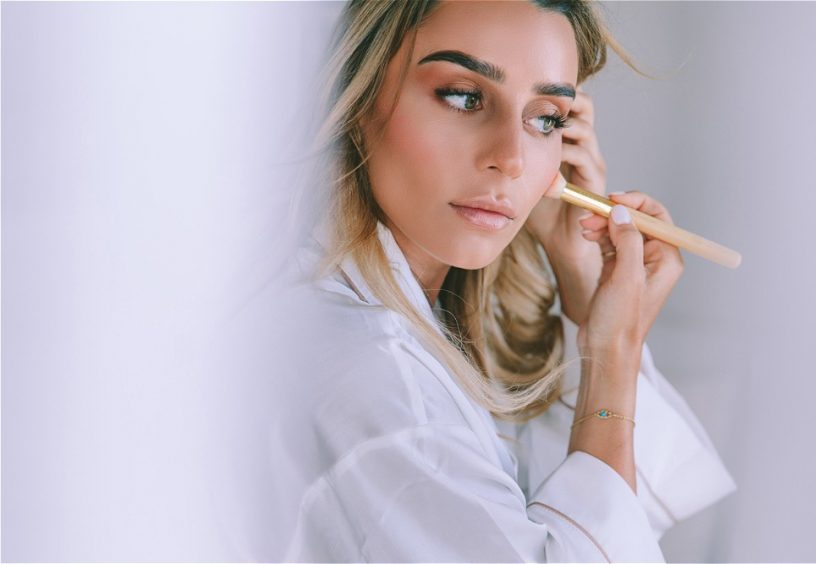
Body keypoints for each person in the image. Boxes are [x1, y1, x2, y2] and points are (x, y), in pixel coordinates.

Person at [273, 0, 738, 561]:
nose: (513, 159)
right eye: (465, 97)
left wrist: (586, 296)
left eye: (546, 119)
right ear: (359, 96)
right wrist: (611, 351)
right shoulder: (381, 381)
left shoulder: (397, 334)